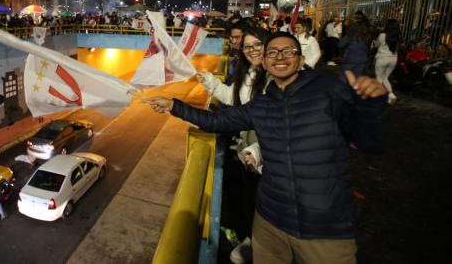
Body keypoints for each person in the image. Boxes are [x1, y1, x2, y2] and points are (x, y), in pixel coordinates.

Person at [147, 32, 389, 264]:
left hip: (326, 227)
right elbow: (217, 121)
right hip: (270, 222)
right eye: (272, 52)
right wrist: (174, 105)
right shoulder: (261, 104)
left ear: (301, 59)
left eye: (288, 51)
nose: (280, 57)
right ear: (263, 61)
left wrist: (371, 106)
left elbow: (372, 143)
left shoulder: (329, 91)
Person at [197, 27, 270, 263]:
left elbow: (277, 120)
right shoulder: (249, 72)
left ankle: (267, 249)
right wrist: (209, 81)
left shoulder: (274, 74)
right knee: (250, 199)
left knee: (268, 203)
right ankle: (250, 240)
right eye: (247, 46)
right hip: (248, 151)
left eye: (257, 44)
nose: (252, 50)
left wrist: (258, 151)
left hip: (269, 153)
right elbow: (234, 98)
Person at [374, 19, 400, 104]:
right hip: (393, 58)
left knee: (379, 78)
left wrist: (374, 41)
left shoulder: (382, 35)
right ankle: (391, 95)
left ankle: (379, 98)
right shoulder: (397, 36)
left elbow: (376, 45)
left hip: (382, 58)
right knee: (385, 78)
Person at [226, 20, 249, 85]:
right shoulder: (237, 59)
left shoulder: (255, 59)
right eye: (232, 37)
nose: (233, 41)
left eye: (237, 37)